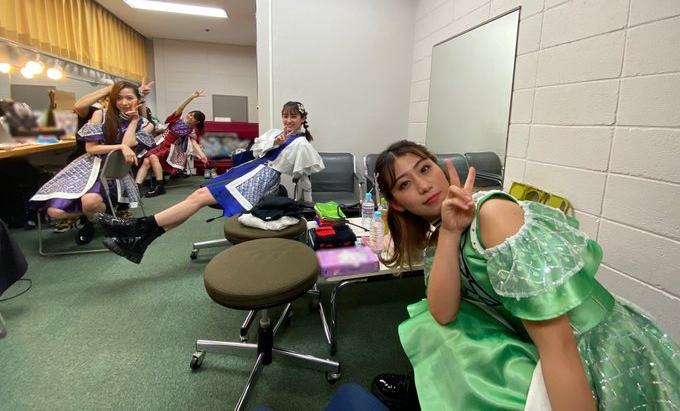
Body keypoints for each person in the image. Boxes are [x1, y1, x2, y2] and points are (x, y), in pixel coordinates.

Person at [371, 140, 680, 411]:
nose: (423, 186)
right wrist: (450, 232)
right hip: (543, 342)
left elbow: (558, 342)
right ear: (396, 203)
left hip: (595, 347)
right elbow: (442, 313)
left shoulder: (492, 215)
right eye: (405, 184)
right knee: (436, 327)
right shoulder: (446, 229)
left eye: (425, 169)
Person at [94, 101, 324, 264]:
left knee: (197, 198)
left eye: (294, 117)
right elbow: (256, 151)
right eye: (285, 116)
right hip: (247, 171)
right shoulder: (275, 133)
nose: (288, 121)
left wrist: (310, 209)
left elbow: (304, 178)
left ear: (303, 119)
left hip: (261, 180)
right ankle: (141, 239)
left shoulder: (302, 145)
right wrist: (275, 142)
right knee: (196, 197)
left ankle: (137, 228)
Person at [30, 81, 156, 245]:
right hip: (88, 167)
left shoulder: (146, 125)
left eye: (129, 98)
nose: (124, 102)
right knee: (55, 212)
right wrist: (119, 146)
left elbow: (127, 144)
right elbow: (91, 148)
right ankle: (102, 216)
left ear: (139, 100)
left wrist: (133, 121)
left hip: (113, 173)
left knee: (90, 202)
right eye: (118, 98)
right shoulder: (100, 115)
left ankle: (92, 222)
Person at [135, 90, 207, 198]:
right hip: (158, 142)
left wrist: (202, 155)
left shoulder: (191, 130)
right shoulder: (177, 119)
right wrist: (191, 97)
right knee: (146, 161)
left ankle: (160, 185)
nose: (190, 117)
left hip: (169, 148)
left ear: (197, 122)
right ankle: (136, 188)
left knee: (153, 157)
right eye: (191, 114)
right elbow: (181, 108)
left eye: (194, 117)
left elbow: (194, 142)